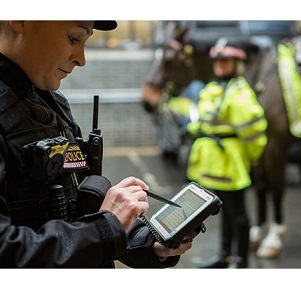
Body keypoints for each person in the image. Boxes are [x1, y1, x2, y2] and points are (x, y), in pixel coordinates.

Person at [0, 20, 192, 268]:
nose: (81, 59)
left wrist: (148, 243)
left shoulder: (51, 102)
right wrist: (107, 225)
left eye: (86, 42)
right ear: (21, 20)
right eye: (73, 39)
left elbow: (81, 213)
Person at [186, 38, 268, 268]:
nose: (220, 65)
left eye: (226, 61)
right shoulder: (212, 88)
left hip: (230, 160)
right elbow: (203, 120)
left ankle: (241, 261)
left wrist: (253, 156)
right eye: (217, 61)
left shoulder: (240, 92)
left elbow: (253, 132)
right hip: (211, 160)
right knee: (222, 208)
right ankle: (225, 255)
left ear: (236, 63)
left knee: (238, 212)